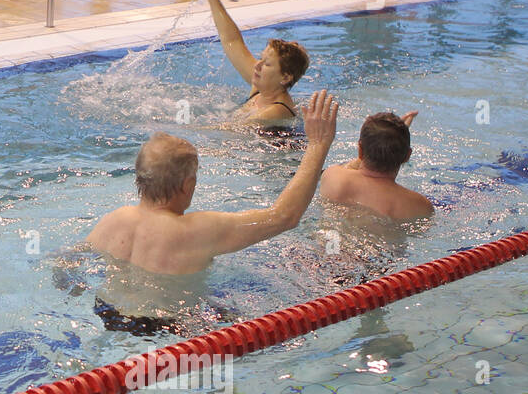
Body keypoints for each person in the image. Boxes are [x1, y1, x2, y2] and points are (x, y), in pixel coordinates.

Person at [86, 90, 339, 275]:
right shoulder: (196, 230)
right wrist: (318, 145)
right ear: (187, 185)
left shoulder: (113, 220)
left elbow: (69, 262)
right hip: (168, 328)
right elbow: (284, 217)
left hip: (109, 313)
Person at [201, 0, 310, 123]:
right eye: (261, 58)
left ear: (285, 77)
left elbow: (228, 131)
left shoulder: (277, 111)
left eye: (267, 64)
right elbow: (232, 40)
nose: (257, 65)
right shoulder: (262, 89)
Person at [321, 111, 434, 220]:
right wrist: (395, 146)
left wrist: (378, 144)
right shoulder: (421, 207)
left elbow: (347, 167)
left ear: (360, 149)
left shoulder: (333, 177)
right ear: (408, 156)